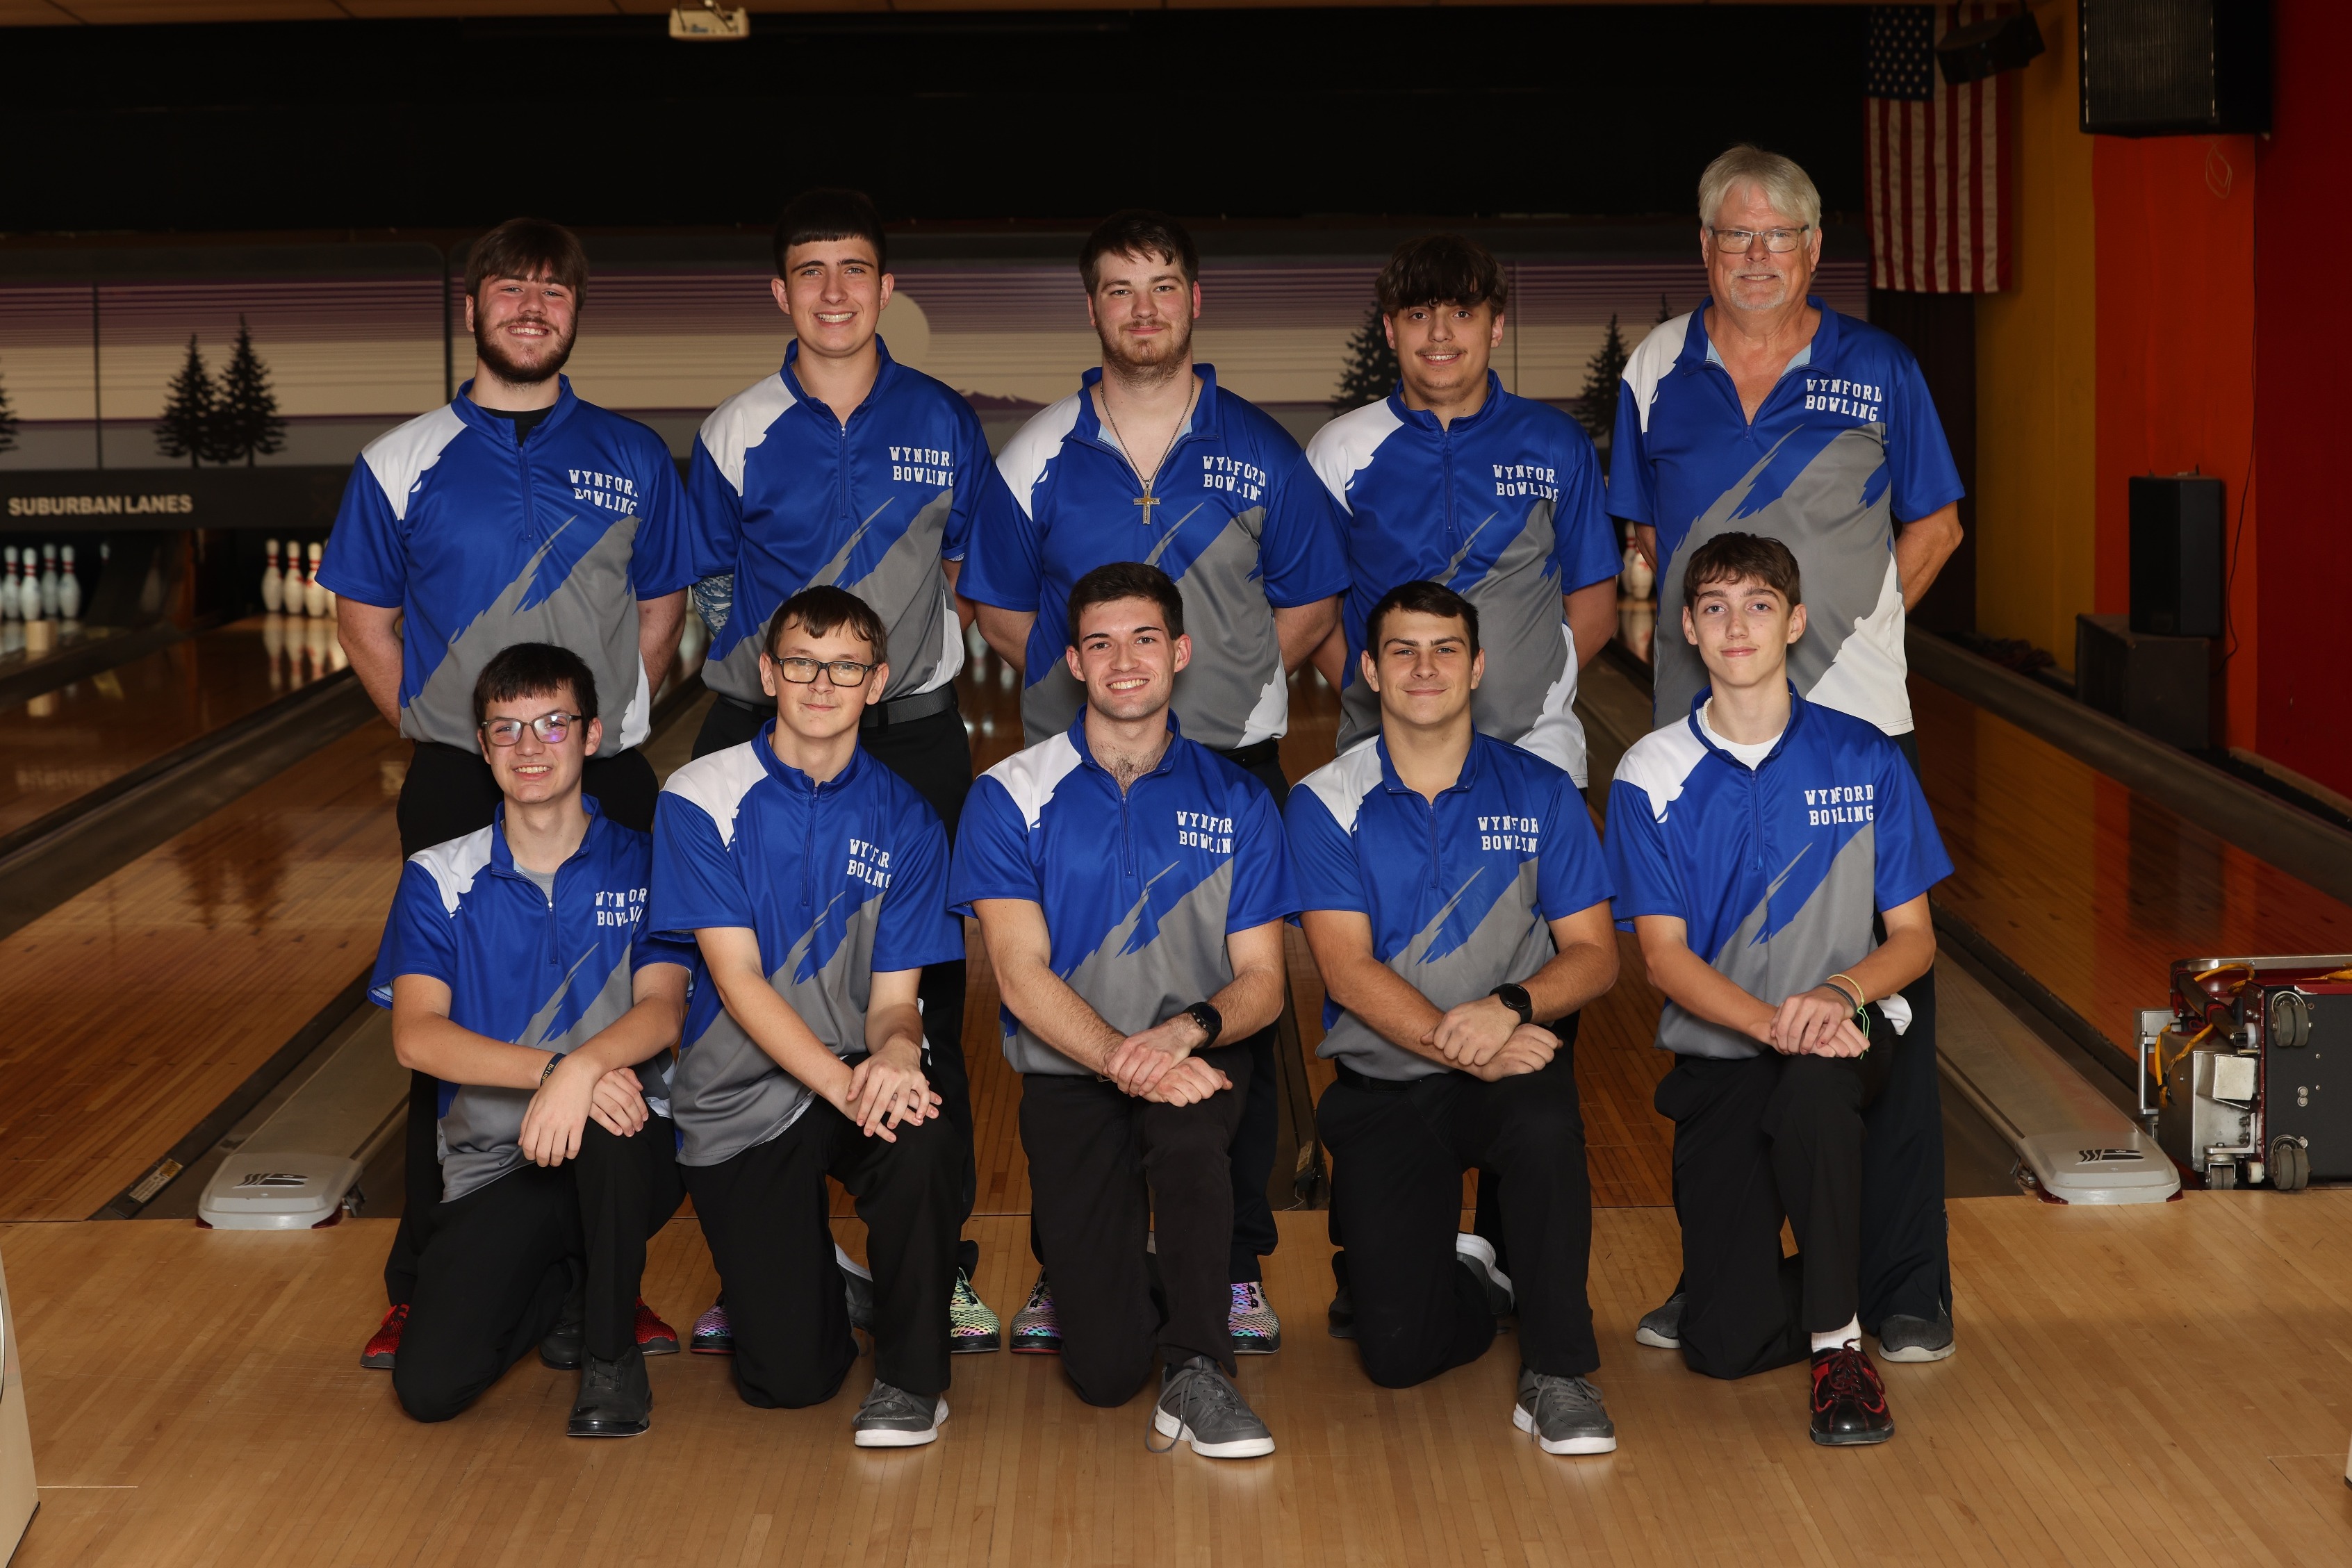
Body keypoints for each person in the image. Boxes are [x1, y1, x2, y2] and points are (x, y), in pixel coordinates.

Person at [960, 210, 1349, 1355]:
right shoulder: (1036, 452)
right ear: (1092, 310)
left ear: (1194, 301)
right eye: (1120, 290)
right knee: (1066, 1006)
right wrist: (1086, 690)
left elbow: (1311, 595)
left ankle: (1230, 1268)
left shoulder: (1264, 448)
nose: (1143, 308)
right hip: (1077, 769)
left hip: (1226, 760)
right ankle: (1077, 1250)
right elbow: (995, 598)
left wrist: (1216, 695)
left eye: (1163, 286)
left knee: (1243, 1024)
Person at [1609, 145, 1966, 1363]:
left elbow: (1937, 519)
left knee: (1886, 1021)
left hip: (1851, 718)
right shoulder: (1658, 369)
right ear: (1703, 249)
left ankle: (1906, 1283)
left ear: (1815, 251)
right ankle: (1727, 1265)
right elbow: (1646, 536)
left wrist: (1867, 630)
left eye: (1780, 238)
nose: (1756, 256)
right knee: (1723, 1005)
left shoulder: (1879, 367)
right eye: (1733, 236)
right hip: (1704, 725)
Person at [324, 217, 696, 1372]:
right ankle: (422, 1276)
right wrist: (440, 736)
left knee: (621, 1024)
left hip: (610, 771)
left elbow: (662, 605)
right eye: (510, 287)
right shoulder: (403, 459)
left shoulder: (634, 453)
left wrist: (611, 724)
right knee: (449, 1029)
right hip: (459, 774)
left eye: (552, 290)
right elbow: (363, 620)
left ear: (574, 312)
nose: (532, 306)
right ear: (473, 305)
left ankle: (607, 1280)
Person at [680, 187, 1013, 1356]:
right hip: (759, 730)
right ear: (780, 291)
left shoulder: (944, 421)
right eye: (809, 270)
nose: (833, 290)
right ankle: (762, 1241)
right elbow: (710, 586)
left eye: (855, 269)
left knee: (924, 999)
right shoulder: (736, 427)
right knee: (743, 989)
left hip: (913, 730)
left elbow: (977, 569)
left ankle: (937, 1257)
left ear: (885, 289)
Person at [1604, 533, 1950, 1446]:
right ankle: (1851, 1267)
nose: (1735, 625)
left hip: (1849, 1036)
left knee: (1811, 1088)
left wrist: (1835, 998)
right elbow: (1663, 960)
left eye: (1758, 604)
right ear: (1687, 626)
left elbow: (1914, 939)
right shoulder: (1650, 774)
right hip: (1728, 1051)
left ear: (1794, 621)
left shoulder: (1865, 758)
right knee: (1726, 1340)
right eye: (1713, 606)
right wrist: (1776, 1022)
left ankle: (1840, 1349)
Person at [951, 563, 1295, 1459]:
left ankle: (1198, 1367)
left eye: (1145, 638)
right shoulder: (1007, 795)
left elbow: (1263, 979)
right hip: (1073, 1071)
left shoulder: (1238, 798)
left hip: (1199, 1061)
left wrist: (1182, 1035)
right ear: (1073, 661)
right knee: (1102, 1375)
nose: (1124, 660)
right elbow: (1020, 976)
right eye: (1100, 643)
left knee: (1187, 1141)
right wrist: (1122, 1057)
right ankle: (1134, 1274)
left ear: (1179, 651)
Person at [1287, 580, 1620, 1455]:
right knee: (1396, 1355)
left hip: (1506, 1072)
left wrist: (1507, 1008)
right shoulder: (1325, 800)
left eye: (1444, 650)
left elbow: (1595, 954)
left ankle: (1558, 1371)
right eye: (1402, 650)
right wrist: (1463, 1045)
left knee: (1546, 1125)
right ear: (1369, 669)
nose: (1424, 667)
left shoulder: (1542, 791)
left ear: (1476, 666)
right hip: (1385, 1085)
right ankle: (1471, 1273)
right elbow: (1346, 969)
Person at [649, 586, 968, 1447]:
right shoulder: (700, 795)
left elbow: (896, 1004)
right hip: (740, 1095)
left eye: (845, 667)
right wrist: (847, 1084)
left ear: (877, 682)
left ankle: (912, 1375)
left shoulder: (906, 819)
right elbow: (737, 977)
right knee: (789, 1381)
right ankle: (821, 1277)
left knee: (926, 1129)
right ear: (768, 673)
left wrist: (897, 1059)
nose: (822, 683)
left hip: (849, 1073)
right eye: (802, 663)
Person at [375, 643, 693, 1437]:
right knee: (431, 1387)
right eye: (507, 729)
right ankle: (568, 1286)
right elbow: (416, 1037)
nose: (529, 748)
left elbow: (664, 1009)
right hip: (495, 1165)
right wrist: (556, 1070)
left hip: (627, 1148)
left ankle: (612, 1361)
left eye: (552, 725)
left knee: (614, 1125)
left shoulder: (650, 862)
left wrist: (583, 1071)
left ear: (590, 736)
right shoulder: (439, 876)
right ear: (482, 747)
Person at [1306, 234, 1620, 789]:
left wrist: (1530, 691)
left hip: (1535, 758)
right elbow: (1318, 611)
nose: (1439, 334)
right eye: (1419, 313)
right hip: (1382, 761)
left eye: (1461, 312)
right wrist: (1375, 693)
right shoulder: (1338, 449)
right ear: (1389, 329)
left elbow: (1594, 607)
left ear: (1495, 326)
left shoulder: (1555, 443)